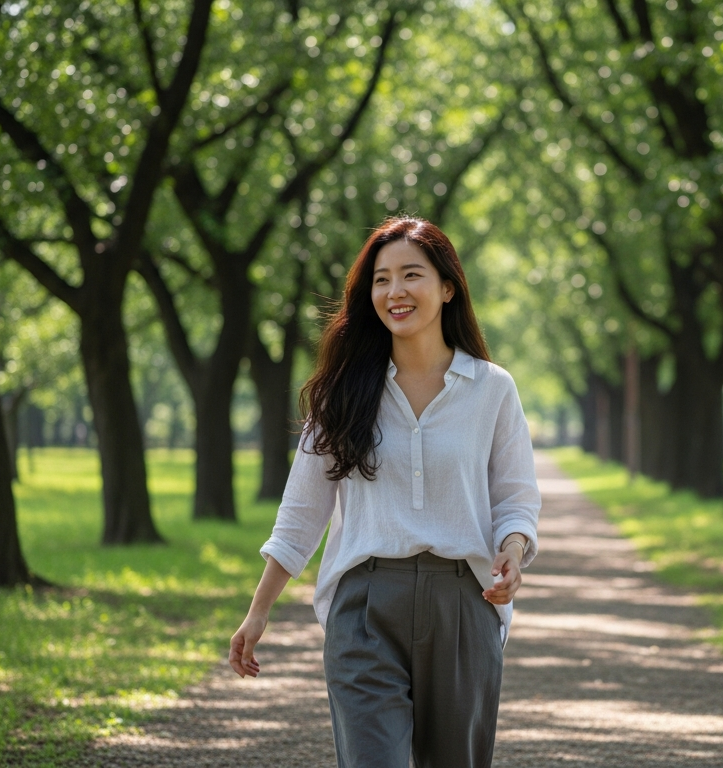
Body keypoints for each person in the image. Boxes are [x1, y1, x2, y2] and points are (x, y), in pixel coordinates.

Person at [228, 216, 541, 768]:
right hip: (364, 610)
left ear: (448, 288)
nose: (395, 291)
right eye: (381, 279)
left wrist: (512, 552)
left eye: (411, 275)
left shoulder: (492, 389)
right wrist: (258, 612)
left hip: (463, 606)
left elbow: (515, 497)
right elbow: (302, 513)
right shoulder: (342, 393)